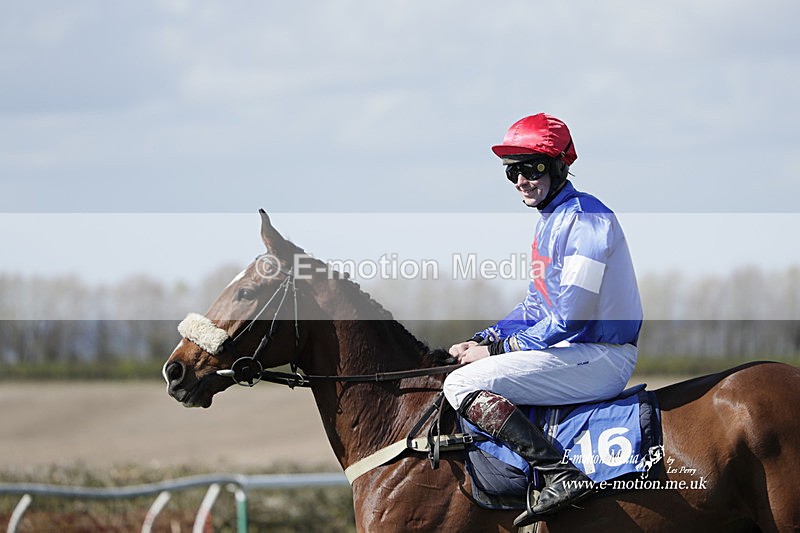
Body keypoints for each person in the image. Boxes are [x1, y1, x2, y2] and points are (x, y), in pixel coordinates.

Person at [443, 113, 643, 526]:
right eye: (512, 170)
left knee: (460, 383)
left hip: (600, 355)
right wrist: (484, 336)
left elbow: (571, 315)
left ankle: (560, 473)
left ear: (558, 166)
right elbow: (536, 307)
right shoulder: (550, 224)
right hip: (576, 351)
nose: (521, 180)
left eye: (531, 168)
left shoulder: (586, 219)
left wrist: (496, 350)